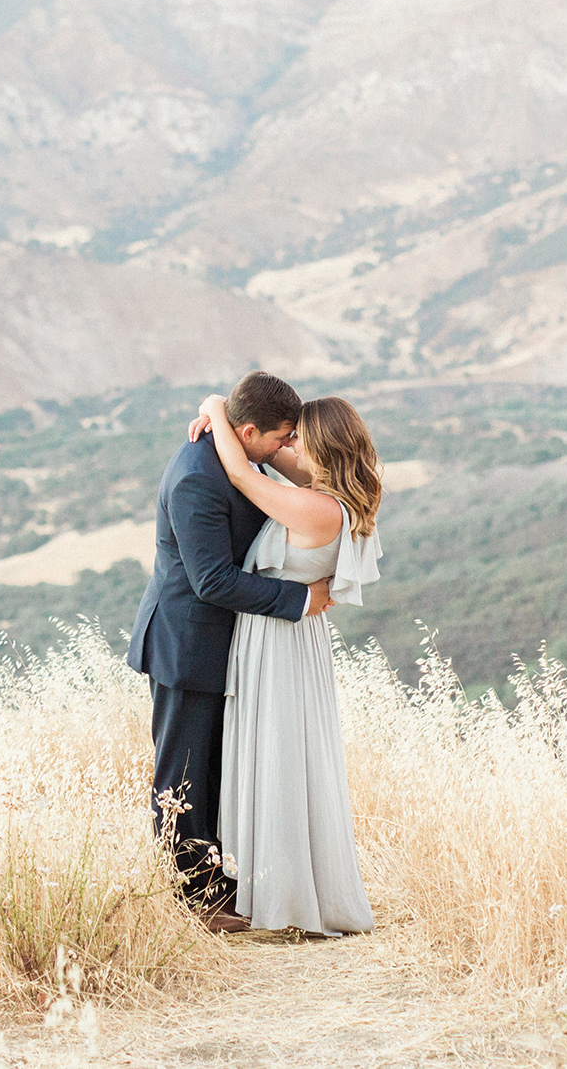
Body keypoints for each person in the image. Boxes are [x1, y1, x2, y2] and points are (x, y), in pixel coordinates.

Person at [126, 371, 331, 932]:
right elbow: (211, 581)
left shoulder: (239, 452)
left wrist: (213, 404)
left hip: (224, 643)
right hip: (185, 642)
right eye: (282, 438)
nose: (288, 448)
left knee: (215, 766)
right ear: (248, 430)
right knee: (183, 774)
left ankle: (219, 884)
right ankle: (194, 901)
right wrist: (300, 600)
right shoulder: (197, 478)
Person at [190, 390, 381, 936]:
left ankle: (285, 899)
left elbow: (248, 477)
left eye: (301, 438)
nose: (290, 445)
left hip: (278, 641)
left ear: (323, 446)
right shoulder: (331, 495)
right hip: (290, 636)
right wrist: (236, 427)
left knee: (277, 758)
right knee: (286, 756)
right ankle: (281, 888)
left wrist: (216, 404)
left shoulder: (316, 507)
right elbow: (267, 455)